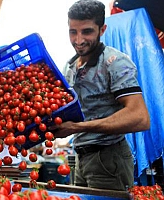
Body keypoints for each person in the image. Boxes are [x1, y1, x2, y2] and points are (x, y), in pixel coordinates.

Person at [49, 0, 150, 191]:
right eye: (73, 32)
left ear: (102, 30)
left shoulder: (114, 62)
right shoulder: (69, 67)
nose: (78, 40)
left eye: (87, 31)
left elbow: (140, 118)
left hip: (108, 159)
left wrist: (77, 127)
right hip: (81, 157)